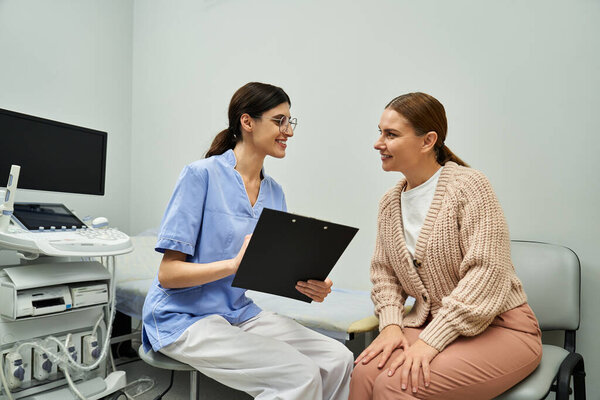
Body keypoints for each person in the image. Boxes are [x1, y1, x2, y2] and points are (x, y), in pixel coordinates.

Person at [141, 82, 353, 400]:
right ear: (248, 122)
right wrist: (232, 265)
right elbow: (168, 275)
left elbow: (269, 271)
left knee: (338, 359)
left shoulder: (275, 193)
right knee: (300, 375)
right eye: (279, 121)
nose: (289, 131)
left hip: (238, 312)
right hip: (183, 317)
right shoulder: (201, 176)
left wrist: (309, 284)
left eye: (290, 122)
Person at [349, 92, 542, 400]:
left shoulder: (470, 187)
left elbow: (486, 273)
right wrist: (390, 325)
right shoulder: (389, 203)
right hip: (435, 324)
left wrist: (430, 341)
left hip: (501, 329)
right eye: (380, 132)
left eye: (391, 134)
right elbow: (384, 274)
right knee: (362, 373)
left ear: (427, 141)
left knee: (395, 384)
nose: (378, 143)